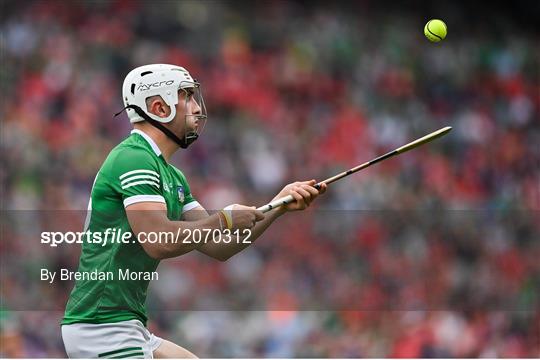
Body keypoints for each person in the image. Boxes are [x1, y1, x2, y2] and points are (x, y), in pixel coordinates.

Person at [60, 64, 326, 358]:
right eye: (186, 96)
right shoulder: (134, 158)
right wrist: (224, 219)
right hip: (99, 329)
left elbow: (220, 246)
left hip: (127, 325)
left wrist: (280, 205)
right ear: (159, 107)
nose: (197, 107)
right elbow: (158, 240)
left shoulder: (172, 176)